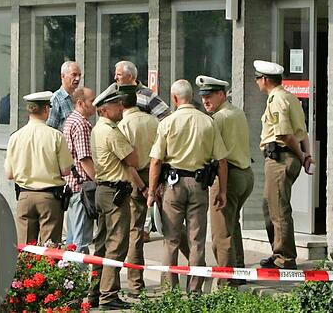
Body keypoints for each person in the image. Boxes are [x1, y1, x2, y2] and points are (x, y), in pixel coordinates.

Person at [147, 79, 228, 293]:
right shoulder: (208, 122)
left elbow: (156, 161)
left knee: (171, 240)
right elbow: (221, 161)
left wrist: (152, 191)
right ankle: (195, 290)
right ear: (191, 97)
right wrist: (223, 191)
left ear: (175, 99)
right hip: (199, 185)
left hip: (173, 185)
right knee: (197, 241)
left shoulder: (167, 122)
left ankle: (170, 290)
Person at [254, 60, 314, 270]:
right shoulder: (290, 97)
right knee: (269, 204)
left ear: (265, 80)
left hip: (280, 157)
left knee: (278, 208)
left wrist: (301, 155)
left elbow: (285, 135)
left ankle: (285, 257)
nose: (256, 82)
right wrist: (306, 155)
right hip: (286, 156)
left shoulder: (277, 99)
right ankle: (278, 252)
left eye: (257, 78)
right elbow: (302, 132)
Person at [197, 75, 254, 286]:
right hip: (245, 173)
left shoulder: (218, 118)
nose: (205, 100)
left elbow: (209, 151)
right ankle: (239, 270)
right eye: (203, 96)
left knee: (221, 234)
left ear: (222, 94)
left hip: (227, 176)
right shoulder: (237, 112)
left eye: (210, 96)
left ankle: (226, 282)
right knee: (232, 225)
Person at [87, 87, 138, 311]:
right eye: (116, 105)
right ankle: (109, 295)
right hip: (115, 193)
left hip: (104, 191)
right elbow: (133, 160)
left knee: (101, 244)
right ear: (104, 110)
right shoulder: (111, 131)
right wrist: (133, 147)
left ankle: (95, 292)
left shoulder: (98, 129)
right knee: (117, 243)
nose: (121, 107)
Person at [6, 92, 73, 245]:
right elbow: (66, 171)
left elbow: (9, 174)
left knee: (25, 248)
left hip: (24, 196)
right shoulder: (56, 136)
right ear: (46, 110)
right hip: (49, 197)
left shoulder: (15, 137)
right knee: (49, 249)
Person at [116, 85, 158, 296]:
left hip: (134, 179)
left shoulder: (122, 126)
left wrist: (142, 187)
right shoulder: (153, 121)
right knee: (173, 226)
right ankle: (192, 268)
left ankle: (135, 283)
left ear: (120, 104)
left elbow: (126, 162)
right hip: (156, 174)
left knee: (135, 231)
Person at [62, 87, 97, 253]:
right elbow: (84, 159)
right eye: (92, 101)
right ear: (80, 103)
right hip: (82, 188)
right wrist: (98, 179)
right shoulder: (80, 124)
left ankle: (69, 269)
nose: (95, 104)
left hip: (73, 186)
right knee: (81, 240)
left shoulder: (71, 120)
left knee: (72, 239)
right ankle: (78, 270)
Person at [104, 61, 171, 119]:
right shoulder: (113, 93)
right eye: (115, 74)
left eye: (119, 75)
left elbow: (166, 118)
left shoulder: (147, 95)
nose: (115, 78)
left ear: (130, 76)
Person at [47, 61, 82, 131]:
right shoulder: (56, 99)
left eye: (79, 75)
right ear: (63, 76)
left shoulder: (79, 97)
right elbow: (50, 129)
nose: (77, 78)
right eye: (74, 75)